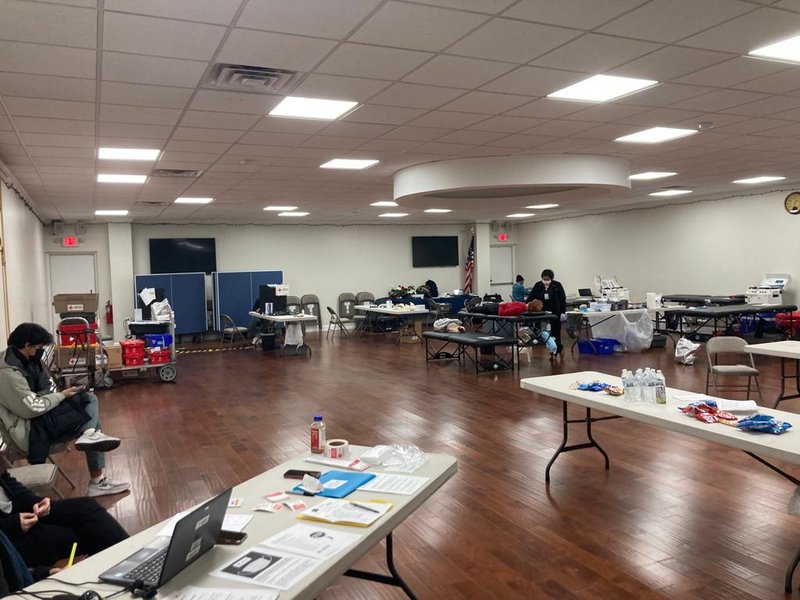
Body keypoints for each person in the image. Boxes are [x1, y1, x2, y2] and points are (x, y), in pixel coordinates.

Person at [0, 323, 129, 497]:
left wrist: (51, 396)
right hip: (28, 430)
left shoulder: (30, 361)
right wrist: (60, 396)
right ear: (27, 345)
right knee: (90, 412)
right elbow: (31, 407)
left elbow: (50, 387)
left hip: (40, 416)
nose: (41, 351)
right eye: (38, 347)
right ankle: (96, 473)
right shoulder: (8, 373)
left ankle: (90, 437)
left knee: (87, 400)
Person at [0, 440, 128, 580]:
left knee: (86, 507)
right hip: (8, 536)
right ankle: (127, 572)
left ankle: (134, 561)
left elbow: (10, 483)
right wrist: (12, 524)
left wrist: (37, 502)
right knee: (81, 533)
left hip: (21, 515)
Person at [526, 269, 567, 354]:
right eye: (544, 279)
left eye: (548, 279)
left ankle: (557, 348)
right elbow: (531, 297)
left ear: (551, 278)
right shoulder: (538, 285)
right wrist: (525, 305)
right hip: (541, 312)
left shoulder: (557, 285)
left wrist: (563, 312)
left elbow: (563, 299)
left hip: (555, 311)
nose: (546, 281)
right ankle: (544, 343)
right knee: (540, 330)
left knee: (556, 331)